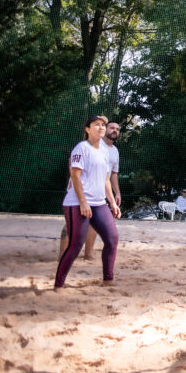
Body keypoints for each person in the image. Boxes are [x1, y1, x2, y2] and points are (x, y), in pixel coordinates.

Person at [55, 115, 121, 288]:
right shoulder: (81, 148)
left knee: (112, 239)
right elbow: (75, 175)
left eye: (102, 125)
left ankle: (108, 279)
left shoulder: (105, 151)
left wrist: (112, 202)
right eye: (96, 125)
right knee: (76, 246)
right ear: (87, 129)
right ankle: (59, 284)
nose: (101, 127)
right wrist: (83, 202)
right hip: (77, 203)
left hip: (99, 204)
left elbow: (106, 179)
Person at [83, 120, 121, 260]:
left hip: (101, 191)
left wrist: (116, 192)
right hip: (85, 189)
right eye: (111, 127)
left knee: (94, 223)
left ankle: (88, 254)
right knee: (71, 225)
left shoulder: (115, 151)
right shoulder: (93, 144)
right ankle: (61, 257)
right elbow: (73, 162)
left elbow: (113, 174)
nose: (114, 130)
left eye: (117, 129)